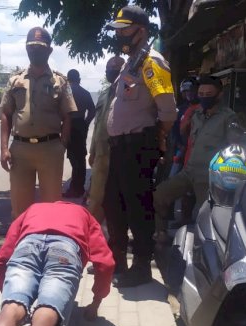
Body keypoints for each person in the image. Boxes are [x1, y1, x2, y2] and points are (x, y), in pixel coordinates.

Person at [103, 5, 176, 287]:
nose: (119, 34)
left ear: (141, 31)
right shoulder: (131, 62)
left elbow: (168, 111)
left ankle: (142, 265)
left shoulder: (151, 63)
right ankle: (119, 259)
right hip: (121, 148)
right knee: (114, 204)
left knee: (138, 207)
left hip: (137, 147)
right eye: (118, 29)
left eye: (125, 29)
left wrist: (156, 137)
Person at [0, 27, 77, 218]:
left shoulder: (60, 81)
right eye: (31, 47)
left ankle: (51, 246)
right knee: (20, 208)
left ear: (49, 50)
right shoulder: (15, 81)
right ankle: (22, 245)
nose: (35, 50)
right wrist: (4, 149)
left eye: (40, 47)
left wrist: (62, 144)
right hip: (20, 150)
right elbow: (6, 115)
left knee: (52, 207)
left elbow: (68, 115)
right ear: (26, 49)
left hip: (50, 149)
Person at [153, 75, 237, 241]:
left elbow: (235, 148)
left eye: (209, 93)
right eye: (201, 93)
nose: (204, 97)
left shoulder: (229, 118)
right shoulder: (196, 114)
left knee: (202, 213)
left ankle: (203, 248)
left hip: (209, 176)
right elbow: (188, 138)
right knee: (159, 195)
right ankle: (160, 233)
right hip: (189, 170)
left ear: (219, 95)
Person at [86, 56, 125, 222]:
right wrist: (93, 151)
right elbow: (98, 125)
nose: (111, 72)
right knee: (95, 197)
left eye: (115, 69)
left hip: (121, 153)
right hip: (102, 154)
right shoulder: (103, 95)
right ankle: (92, 235)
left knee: (118, 198)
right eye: (108, 69)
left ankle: (117, 238)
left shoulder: (129, 93)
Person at [63, 69, 96, 198]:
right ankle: (78, 187)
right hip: (80, 125)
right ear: (79, 79)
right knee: (80, 158)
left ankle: (75, 189)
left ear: (68, 79)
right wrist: (86, 123)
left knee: (74, 158)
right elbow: (92, 111)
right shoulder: (85, 93)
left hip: (68, 126)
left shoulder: (65, 93)